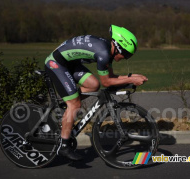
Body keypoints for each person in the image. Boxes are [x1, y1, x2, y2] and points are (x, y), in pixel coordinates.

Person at [44, 25, 148, 161]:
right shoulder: (104, 53)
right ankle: (63, 146)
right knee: (75, 105)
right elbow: (107, 82)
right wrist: (131, 78)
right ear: (118, 47)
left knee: (93, 85)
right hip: (56, 63)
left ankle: (65, 102)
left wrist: (131, 77)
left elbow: (111, 77)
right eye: (126, 54)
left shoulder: (108, 50)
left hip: (69, 63)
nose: (125, 57)